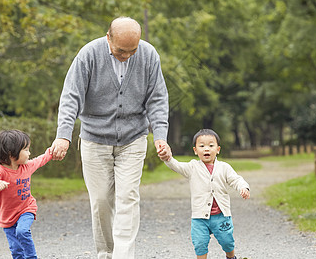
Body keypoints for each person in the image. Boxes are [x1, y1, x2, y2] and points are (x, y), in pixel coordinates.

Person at [51, 16, 172, 258]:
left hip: (133, 138)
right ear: (108, 38)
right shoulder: (88, 55)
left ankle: (123, 255)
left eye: (132, 50)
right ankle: (106, 253)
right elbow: (70, 96)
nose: (127, 55)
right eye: (120, 50)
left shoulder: (149, 56)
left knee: (128, 198)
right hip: (94, 138)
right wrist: (63, 135)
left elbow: (157, 99)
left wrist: (160, 135)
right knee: (101, 202)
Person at [159, 129, 250, 259]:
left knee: (227, 242)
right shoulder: (192, 167)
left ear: (218, 149)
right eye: (202, 146)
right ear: (195, 150)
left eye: (211, 146)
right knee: (199, 243)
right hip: (199, 217)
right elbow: (177, 166)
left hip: (221, 216)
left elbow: (236, 179)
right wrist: (168, 158)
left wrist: (243, 187)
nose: (206, 149)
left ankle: (231, 257)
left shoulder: (224, 167)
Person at [0, 129, 54, 259]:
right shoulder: (1, 170)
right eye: (26, 150)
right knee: (16, 250)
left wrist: (52, 151)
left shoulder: (27, 166)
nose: (29, 153)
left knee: (22, 231)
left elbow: (41, 159)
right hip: (7, 216)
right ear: (12, 154)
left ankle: (32, 257)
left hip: (26, 208)